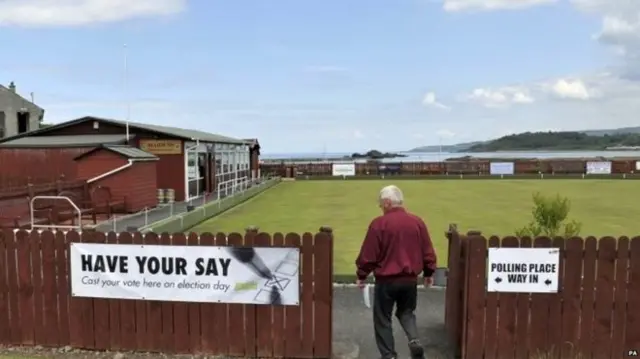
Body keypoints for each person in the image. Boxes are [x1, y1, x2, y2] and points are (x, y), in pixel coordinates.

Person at [355, 185, 437, 359]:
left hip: (386, 281)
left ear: (386, 202)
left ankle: (389, 356)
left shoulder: (379, 224)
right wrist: (429, 273)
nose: (381, 208)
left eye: (380, 205)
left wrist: (362, 275)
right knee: (406, 312)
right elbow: (428, 251)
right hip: (409, 280)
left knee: (382, 319)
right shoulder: (417, 222)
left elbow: (369, 255)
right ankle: (414, 340)